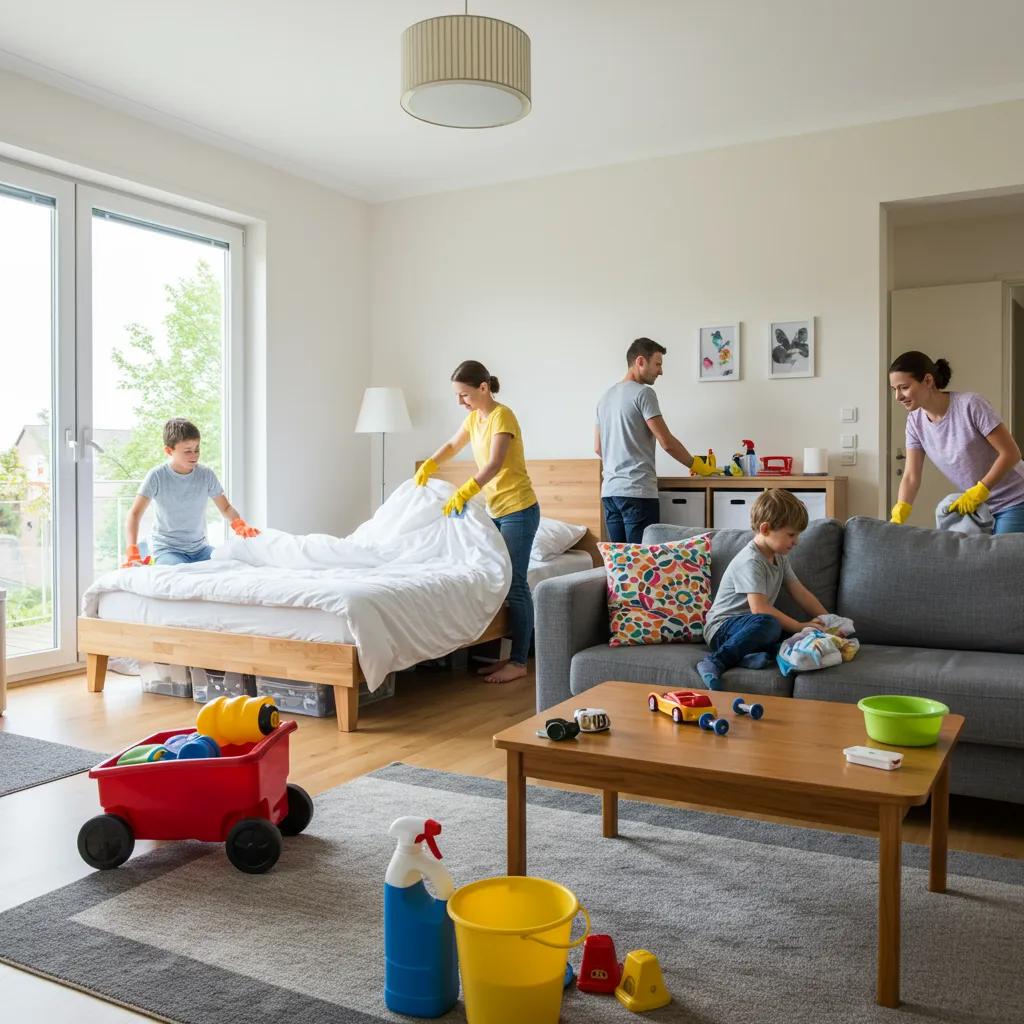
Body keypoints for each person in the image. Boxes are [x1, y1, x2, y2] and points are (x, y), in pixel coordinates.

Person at [415, 361, 539, 684]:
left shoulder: (503, 416)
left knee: (516, 583)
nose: (461, 402)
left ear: (483, 388)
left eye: (464, 395)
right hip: (496, 510)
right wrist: (431, 463)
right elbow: (453, 445)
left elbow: (496, 463)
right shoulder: (474, 418)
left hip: (519, 510)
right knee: (494, 578)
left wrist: (467, 489)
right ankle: (503, 656)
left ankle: (519, 661)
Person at [697, 489, 830, 690]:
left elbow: (799, 592)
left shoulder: (779, 558)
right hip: (722, 629)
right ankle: (716, 661)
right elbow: (759, 609)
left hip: (750, 627)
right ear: (766, 528)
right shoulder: (751, 561)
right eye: (791, 534)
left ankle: (749, 656)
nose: (797, 541)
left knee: (803, 635)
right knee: (771, 624)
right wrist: (798, 625)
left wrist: (829, 621)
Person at [595, 337, 716, 543]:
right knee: (642, 563)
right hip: (637, 492)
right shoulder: (644, 393)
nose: (660, 371)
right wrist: (698, 464)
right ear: (640, 361)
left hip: (610, 493)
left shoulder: (605, 397)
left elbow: (598, 448)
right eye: (657, 364)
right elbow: (666, 441)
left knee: (619, 564)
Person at [888, 351, 1024, 534]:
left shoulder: (970, 405)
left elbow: (1011, 453)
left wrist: (981, 490)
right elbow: (911, 475)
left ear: (928, 381)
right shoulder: (914, 422)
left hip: (1015, 499)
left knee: (1001, 560)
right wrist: (901, 509)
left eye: (903, 387)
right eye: (894, 389)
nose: (898, 396)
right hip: (979, 508)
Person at [123, 417, 260, 567]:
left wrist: (240, 525)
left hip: (200, 549)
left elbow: (226, 508)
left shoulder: (206, 475)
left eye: (197, 449)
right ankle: (151, 560)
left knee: (231, 565)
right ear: (169, 451)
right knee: (178, 574)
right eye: (187, 451)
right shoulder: (157, 476)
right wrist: (132, 551)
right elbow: (134, 514)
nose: (194, 455)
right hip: (167, 549)